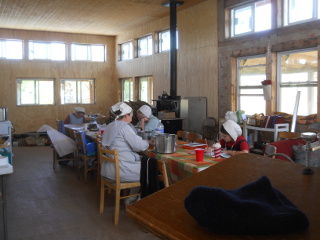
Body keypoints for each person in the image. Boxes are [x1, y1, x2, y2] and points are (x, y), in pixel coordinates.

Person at [101, 102, 149, 182]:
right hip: (121, 170)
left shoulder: (110, 125)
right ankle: (142, 194)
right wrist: (147, 142)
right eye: (131, 115)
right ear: (126, 115)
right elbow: (139, 146)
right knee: (151, 170)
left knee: (145, 165)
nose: (132, 118)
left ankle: (134, 194)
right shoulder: (124, 127)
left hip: (108, 170)